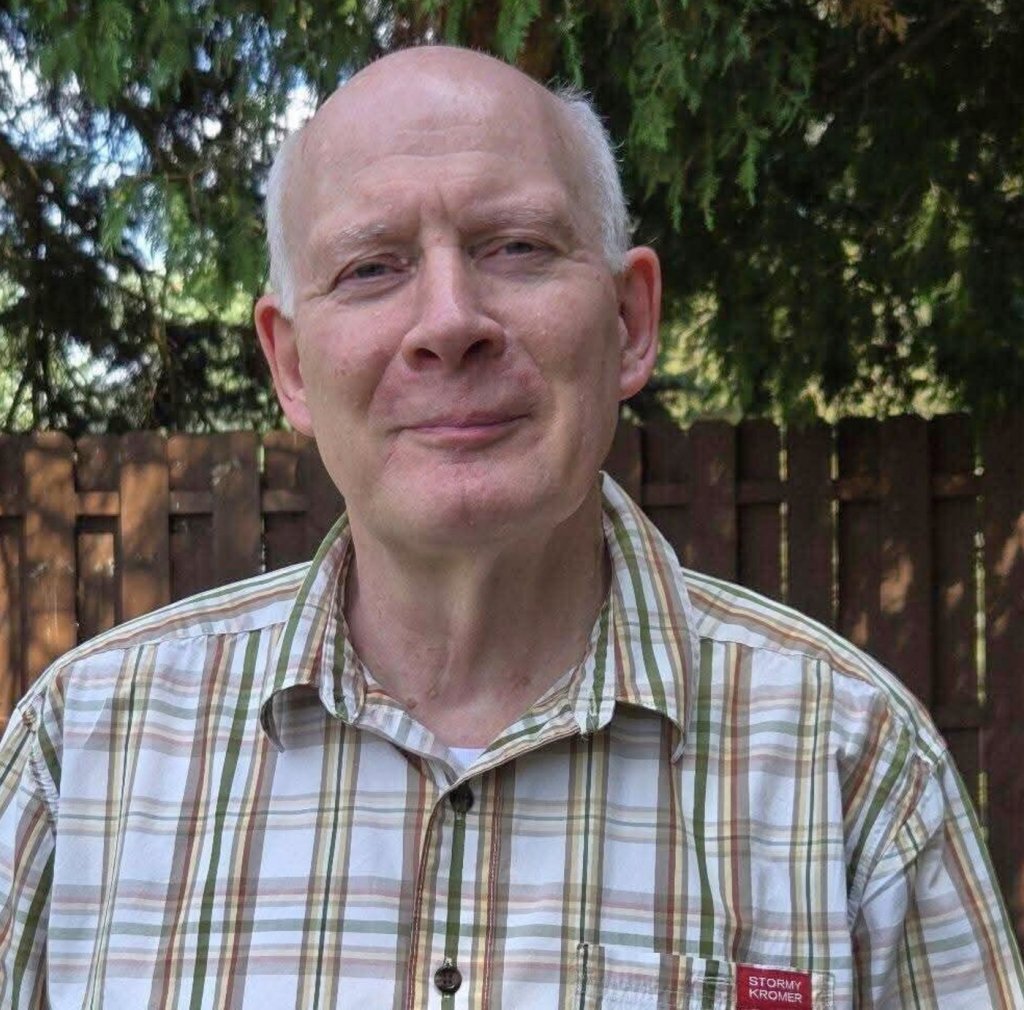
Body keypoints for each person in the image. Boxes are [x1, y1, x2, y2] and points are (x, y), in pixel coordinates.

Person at [1, 45, 1021, 1010]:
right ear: (293, 365)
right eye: (371, 267)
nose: (450, 321)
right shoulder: (81, 752)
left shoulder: (853, 763)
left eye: (518, 247)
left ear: (630, 321)